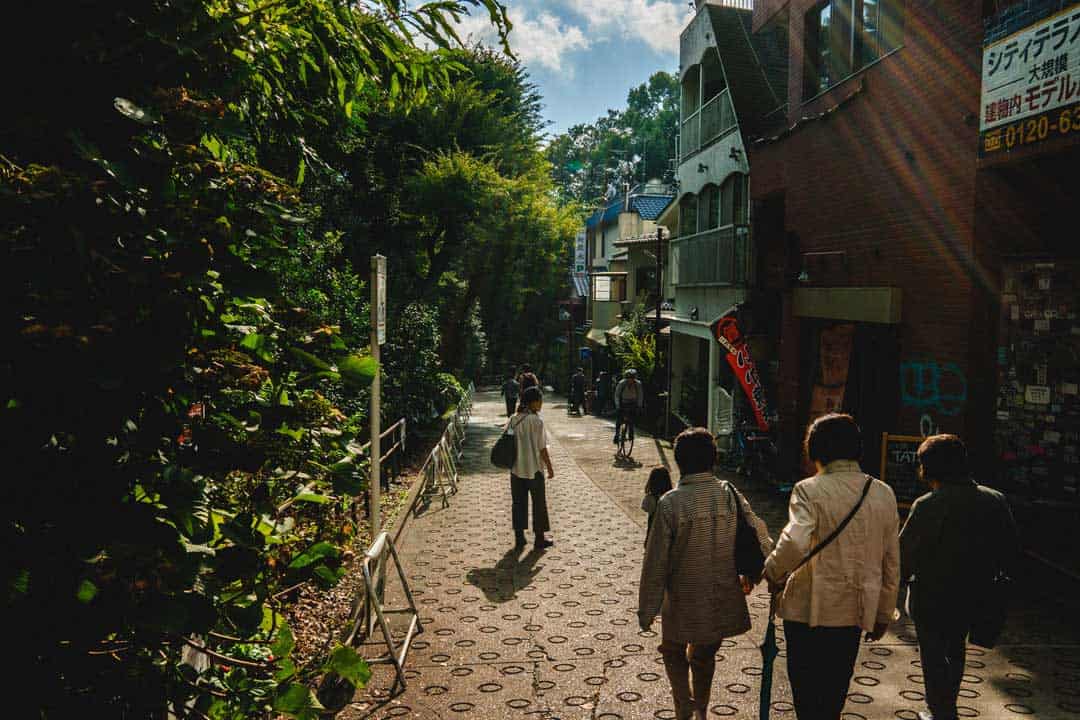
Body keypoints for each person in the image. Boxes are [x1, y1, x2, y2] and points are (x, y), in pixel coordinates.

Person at [763, 413, 900, 720]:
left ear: (816, 450)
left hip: (807, 609)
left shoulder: (808, 489)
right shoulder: (883, 493)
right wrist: (883, 612)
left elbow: (795, 542)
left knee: (806, 694)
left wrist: (772, 570)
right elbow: (891, 562)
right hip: (854, 609)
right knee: (834, 693)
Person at [639, 428, 773, 720]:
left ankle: (683, 705)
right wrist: (761, 574)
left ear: (679, 463)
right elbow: (761, 535)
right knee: (703, 656)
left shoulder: (670, 503)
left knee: (673, 650)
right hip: (721, 596)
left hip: (682, 598)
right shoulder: (729, 493)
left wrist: (647, 610)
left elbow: (655, 561)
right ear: (713, 461)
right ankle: (701, 709)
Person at [900, 434, 1019, 720]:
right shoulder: (995, 500)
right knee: (955, 647)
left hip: (930, 597)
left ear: (928, 469)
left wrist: (895, 584)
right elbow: (1011, 551)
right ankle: (947, 703)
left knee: (932, 653)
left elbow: (904, 554)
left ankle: (939, 709)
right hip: (974, 596)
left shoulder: (927, 504)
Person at [509, 386, 555, 550]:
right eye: (540, 400)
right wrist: (550, 468)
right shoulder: (537, 421)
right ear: (533, 402)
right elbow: (542, 448)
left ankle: (519, 538)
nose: (541, 403)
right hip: (534, 469)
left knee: (518, 503)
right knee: (539, 504)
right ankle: (539, 539)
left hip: (516, 469)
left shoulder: (514, 419)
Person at [640, 467, 673, 548]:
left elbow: (645, 507)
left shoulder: (651, 498)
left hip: (653, 531)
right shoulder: (671, 497)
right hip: (668, 530)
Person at [613, 369, 645, 445]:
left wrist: (639, 405)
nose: (630, 380)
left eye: (632, 378)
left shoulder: (638, 384)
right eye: (629, 378)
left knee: (632, 419)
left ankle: (631, 432)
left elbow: (640, 395)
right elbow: (617, 395)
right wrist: (618, 406)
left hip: (633, 403)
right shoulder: (622, 383)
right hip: (623, 402)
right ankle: (617, 434)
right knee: (619, 419)